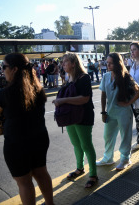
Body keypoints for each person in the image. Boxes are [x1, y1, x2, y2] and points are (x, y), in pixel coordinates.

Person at [0, 53, 54, 205]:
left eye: (4, 67)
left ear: (14, 69)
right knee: (41, 173)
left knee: (24, 182)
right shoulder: (38, 89)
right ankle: (50, 204)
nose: (2, 70)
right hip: (39, 138)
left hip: (16, 143)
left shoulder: (4, 94)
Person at [52, 52, 97, 188]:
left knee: (86, 145)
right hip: (70, 116)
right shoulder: (69, 77)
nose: (62, 64)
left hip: (84, 116)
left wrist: (63, 100)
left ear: (73, 63)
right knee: (76, 144)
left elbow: (85, 98)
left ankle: (93, 175)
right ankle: (80, 168)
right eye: (62, 62)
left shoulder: (84, 78)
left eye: (65, 62)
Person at [96, 53, 139, 170]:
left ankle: (125, 159)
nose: (108, 65)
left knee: (125, 136)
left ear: (118, 63)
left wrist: (128, 103)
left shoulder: (126, 77)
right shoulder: (106, 76)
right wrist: (103, 112)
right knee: (107, 136)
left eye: (110, 63)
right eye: (107, 63)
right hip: (110, 112)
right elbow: (103, 95)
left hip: (124, 112)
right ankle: (108, 158)